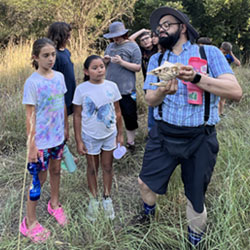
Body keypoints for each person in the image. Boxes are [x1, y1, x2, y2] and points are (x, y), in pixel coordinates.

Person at [133, 7, 242, 248]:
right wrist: (162, 90)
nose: (161, 30)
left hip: (200, 137)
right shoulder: (156, 59)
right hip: (163, 134)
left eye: (167, 25)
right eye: (159, 27)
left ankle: (195, 241)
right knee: (145, 183)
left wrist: (196, 78)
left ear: (182, 27)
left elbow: (236, 92)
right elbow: (150, 100)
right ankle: (147, 215)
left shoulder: (209, 53)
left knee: (195, 199)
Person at [20, 38, 69, 243]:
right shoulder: (33, 82)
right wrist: (32, 145)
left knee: (56, 171)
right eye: (45, 55)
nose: (50, 59)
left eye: (53, 55)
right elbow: (29, 116)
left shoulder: (59, 77)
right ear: (35, 57)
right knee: (38, 180)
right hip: (40, 142)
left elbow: (63, 104)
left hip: (57, 137)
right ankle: (29, 222)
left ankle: (54, 204)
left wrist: (66, 128)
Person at [73, 55, 123, 221]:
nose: (99, 70)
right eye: (94, 68)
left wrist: (120, 134)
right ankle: (93, 200)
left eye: (101, 66)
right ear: (86, 71)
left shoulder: (112, 86)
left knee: (107, 166)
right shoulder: (81, 89)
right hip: (90, 136)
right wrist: (79, 140)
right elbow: (78, 116)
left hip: (109, 134)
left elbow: (117, 112)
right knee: (92, 168)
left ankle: (107, 197)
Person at [103, 21, 142, 152]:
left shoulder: (133, 47)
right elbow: (103, 66)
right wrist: (105, 62)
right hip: (110, 89)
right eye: (113, 37)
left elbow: (137, 67)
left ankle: (131, 143)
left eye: (118, 36)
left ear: (124, 34)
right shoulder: (110, 47)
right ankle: (114, 142)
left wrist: (122, 62)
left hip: (127, 89)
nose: (115, 39)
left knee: (129, 116)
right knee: (111, 117)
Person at [129, 28, 159, 132]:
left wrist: (152, 34)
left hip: (160, 82)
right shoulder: (140, 51)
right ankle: (151, 132)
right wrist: (142, 30)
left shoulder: (157, 48)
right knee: (151, 108)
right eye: (142, 40)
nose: (145, 41)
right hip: (149, 83)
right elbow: (130, 39)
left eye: (147, 38)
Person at [47, 22, 76, 116]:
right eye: (68, 33)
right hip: (59, 96)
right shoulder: (53, 54)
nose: (70, 36)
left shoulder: (66, 51)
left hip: (69, 92)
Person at [219, 41, 241, 116]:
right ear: (221, 49)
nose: (225, 54)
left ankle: (221, 113)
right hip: (217, 76)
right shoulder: (216, 54)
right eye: (224, 52)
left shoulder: (229, 56)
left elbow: (238, 63)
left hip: (226, 76)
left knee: (223, 97)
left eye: (227, 52)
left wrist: (231, 53)